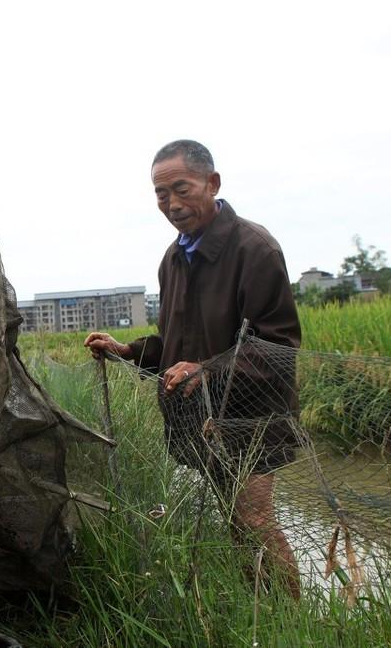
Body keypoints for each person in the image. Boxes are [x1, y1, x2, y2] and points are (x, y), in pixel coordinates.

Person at [84, 139, 302, 597]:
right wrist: (129, 351)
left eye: (181, 189)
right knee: (236, 520)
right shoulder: (174, 258)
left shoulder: (254, 249)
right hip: (200, 421)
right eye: (161, 194)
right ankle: (259, 608)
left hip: (252, 421)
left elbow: (280, 347)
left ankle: (290, 620)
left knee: (256, 519)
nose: (172, 204)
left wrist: (207, 369)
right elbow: (175, 345)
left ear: (212, 183)